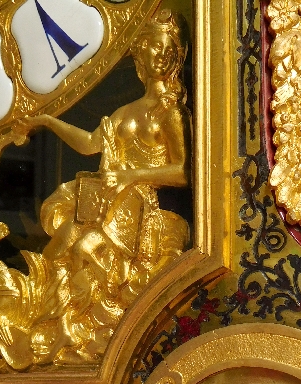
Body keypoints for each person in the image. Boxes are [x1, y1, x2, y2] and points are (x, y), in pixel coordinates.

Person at [17, 9, 191, 362]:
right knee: (60, 244)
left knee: (80, 249)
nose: (162, 56)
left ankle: (75, 327)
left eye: (168, 49)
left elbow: (186, 172)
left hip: (140, 210)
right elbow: (91, 144)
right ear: (139, 52)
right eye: (155, 47)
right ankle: (37, 319)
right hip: (112, 202)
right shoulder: (128, 110)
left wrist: (130, 176)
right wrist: (49, 121)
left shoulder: (170, 112)